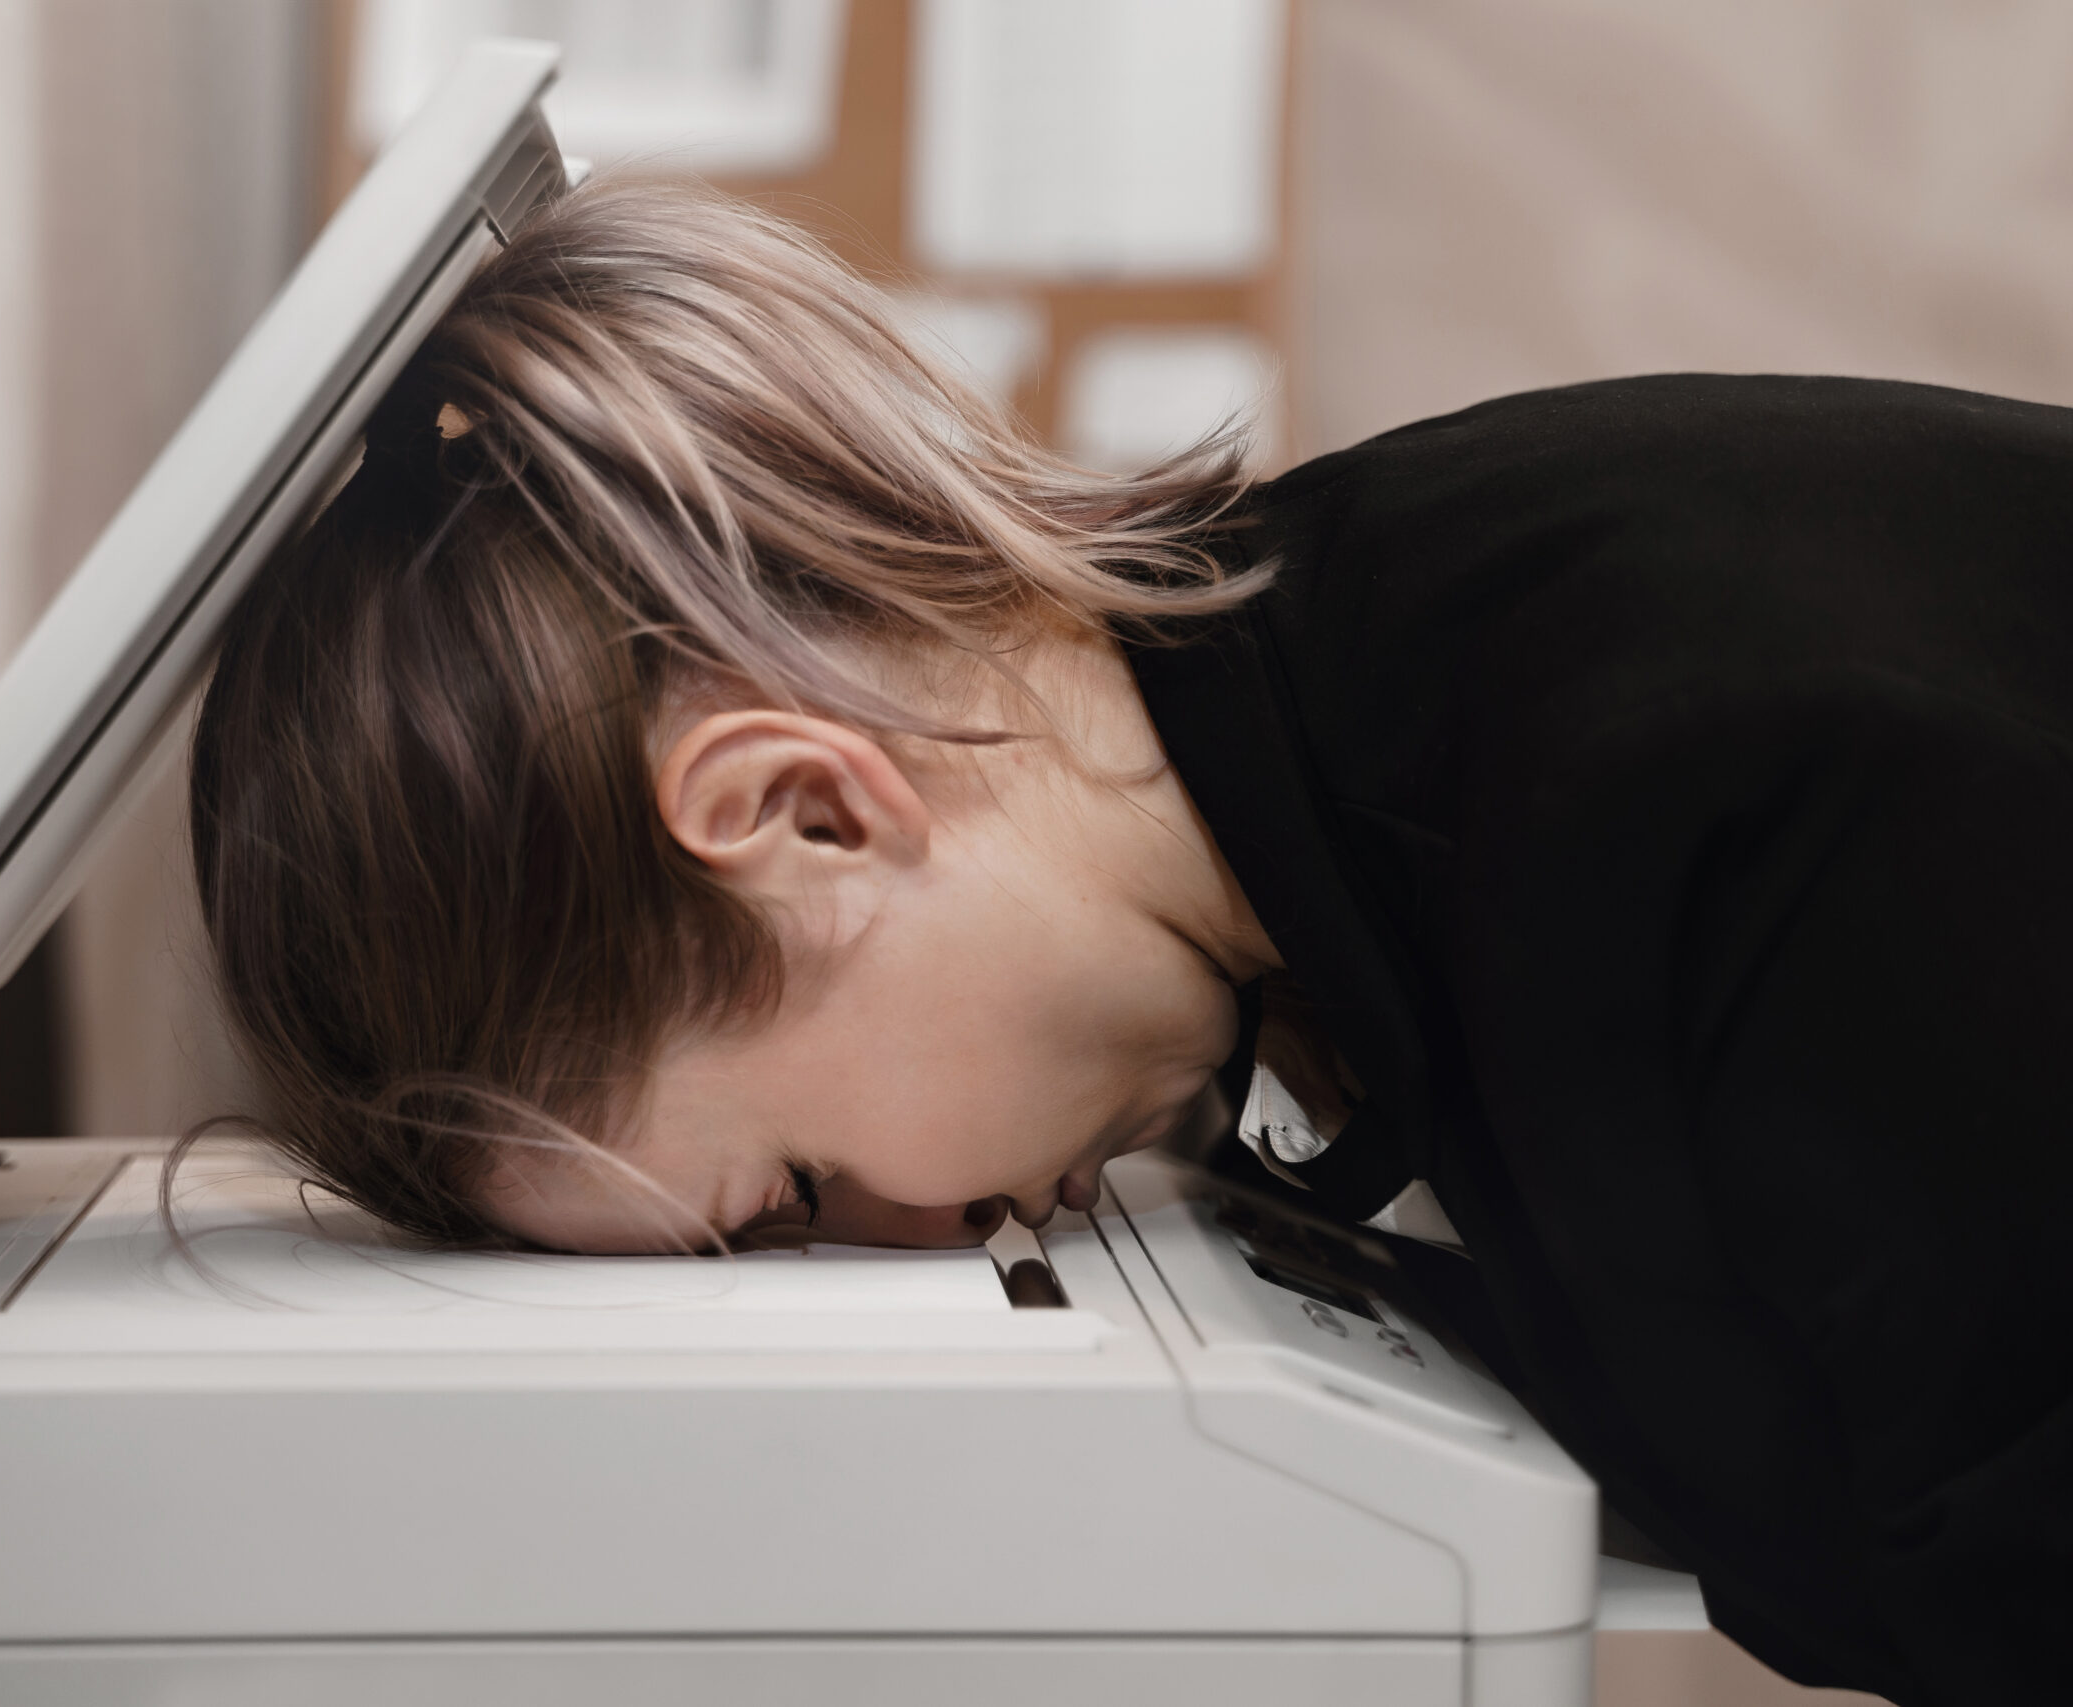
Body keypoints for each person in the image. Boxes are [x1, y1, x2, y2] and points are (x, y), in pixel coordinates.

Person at [187, 178, 2069, 1707]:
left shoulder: (1702, 774)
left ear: (810, 815)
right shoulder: (1368, 773)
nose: (901, 1257)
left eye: (790, 1201)